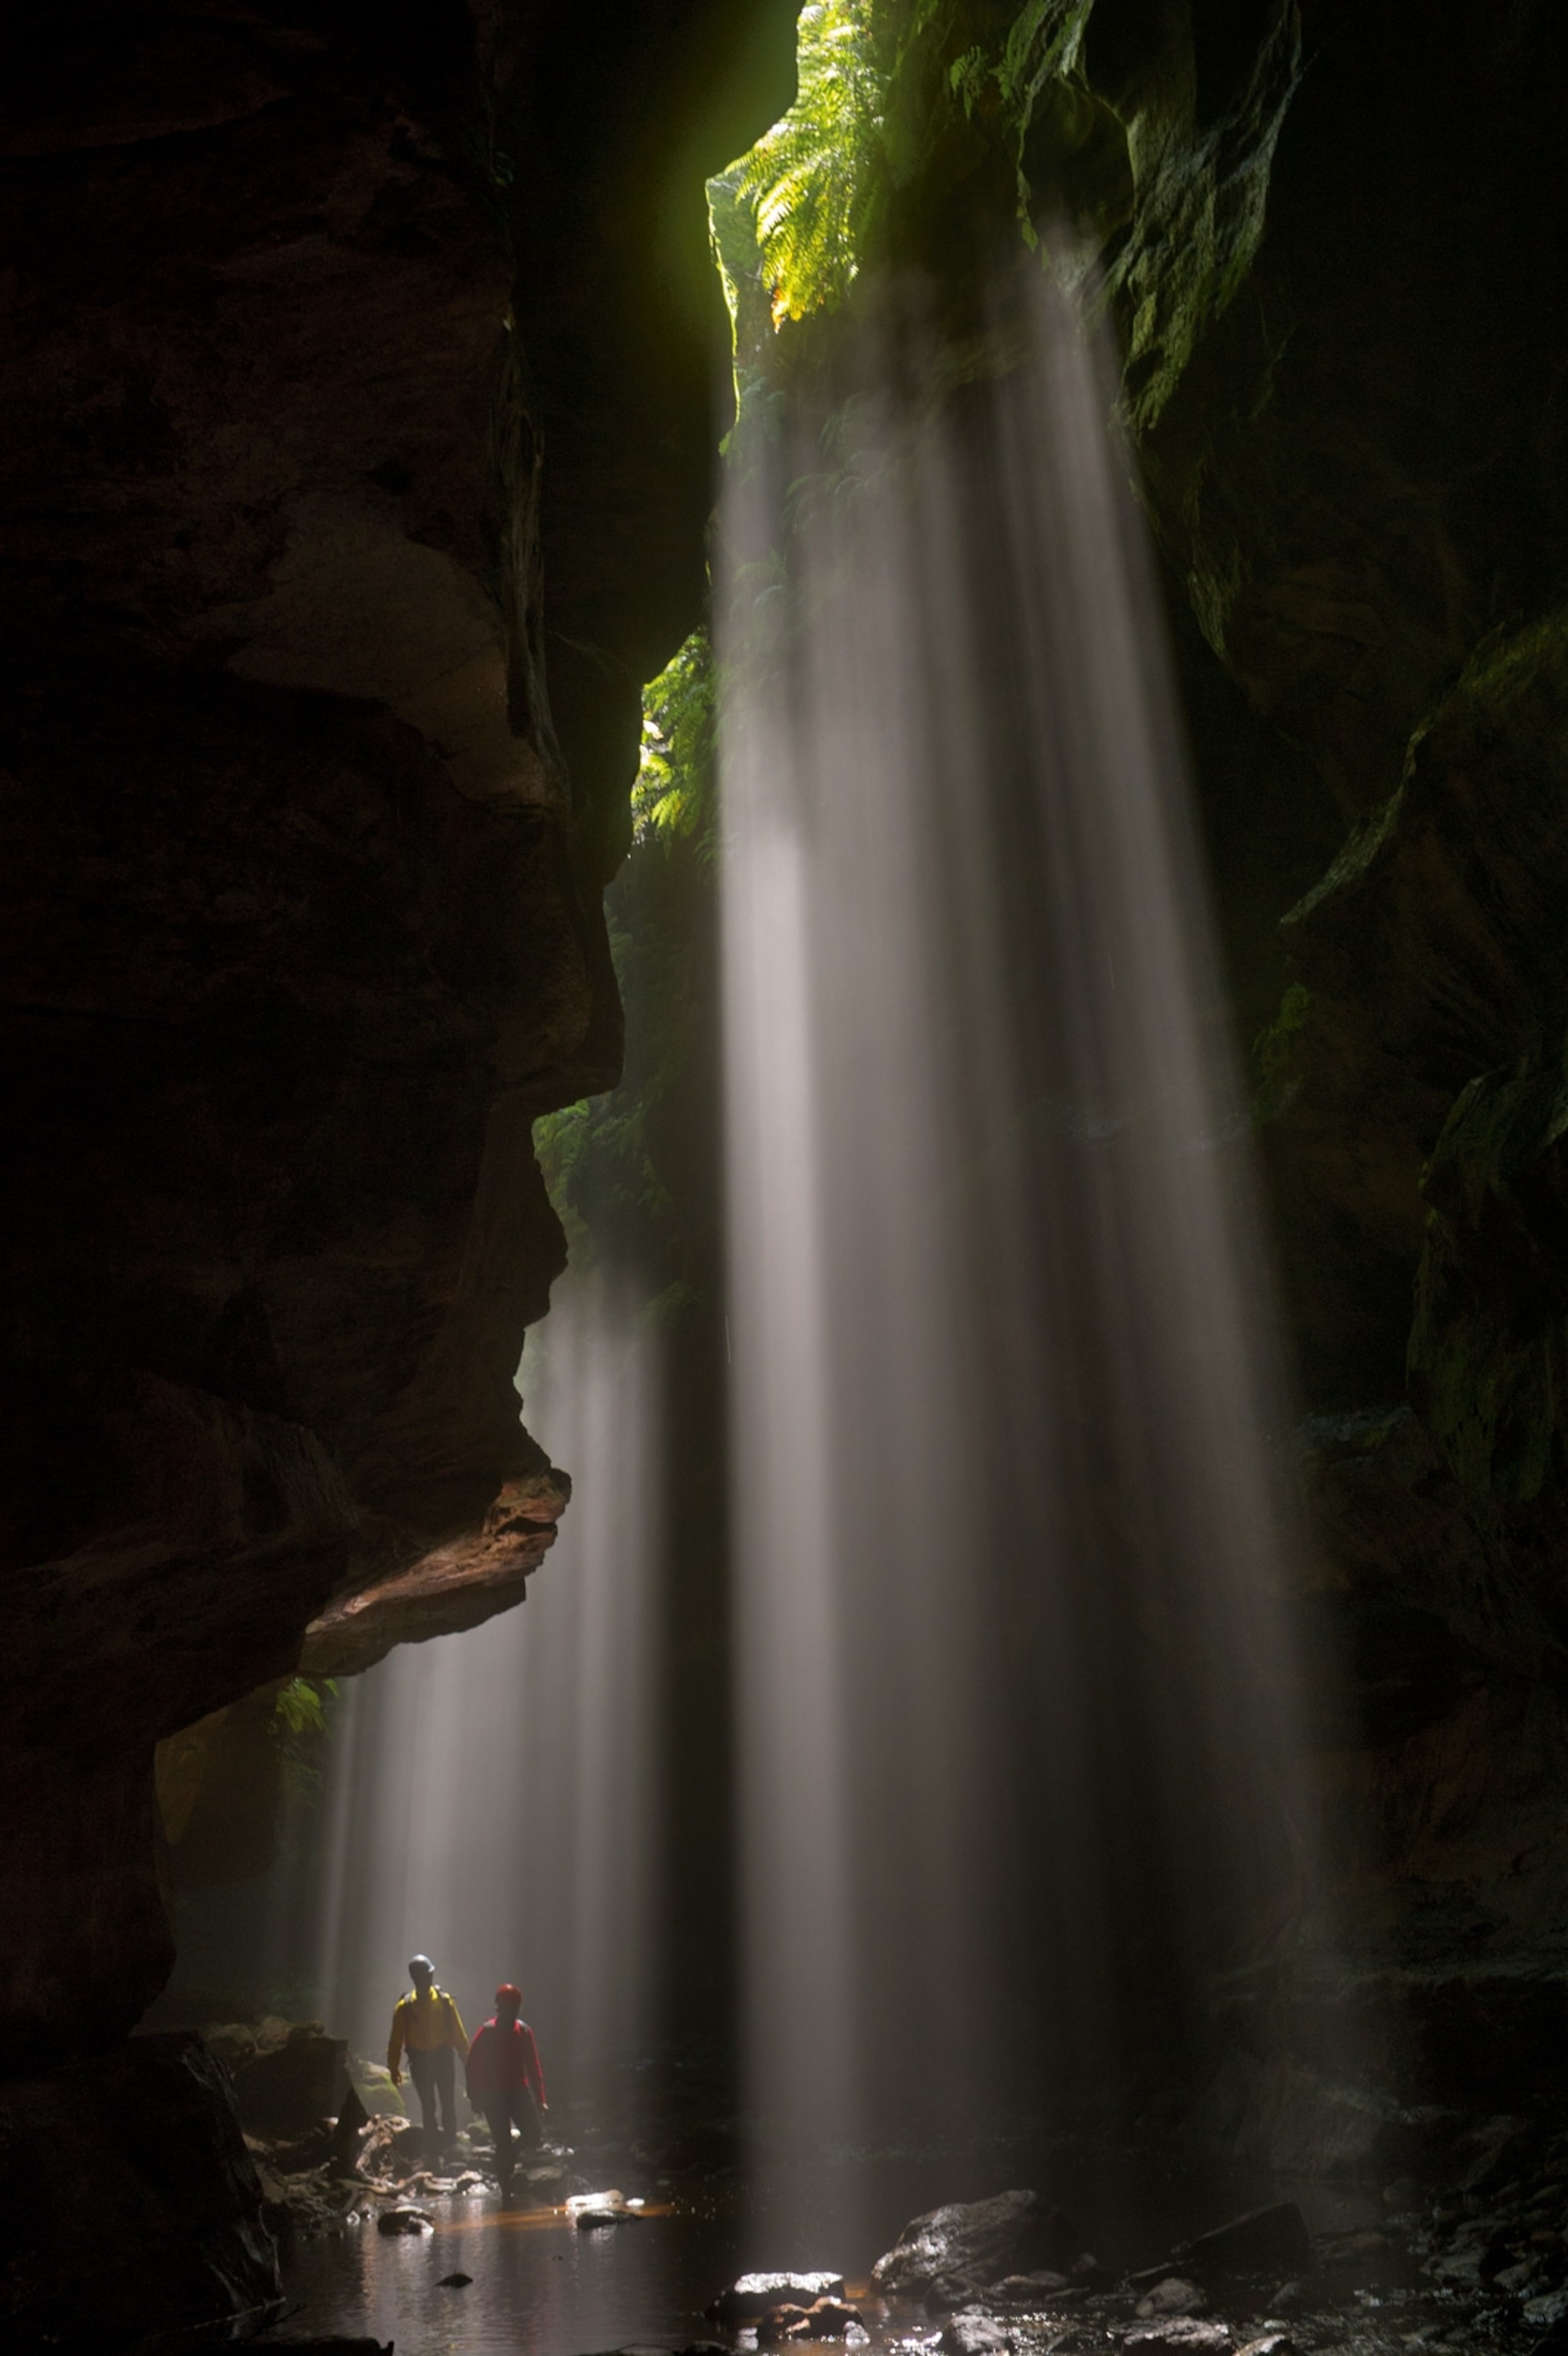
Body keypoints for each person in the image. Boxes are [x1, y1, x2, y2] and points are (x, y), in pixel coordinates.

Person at [465, 1983, 547, 2197]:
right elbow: (472, 2064)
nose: (512, 2011)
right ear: (499, 2007)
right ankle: (506, 2190)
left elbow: (533, 2066)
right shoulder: (488, 2031)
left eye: (515, 2007)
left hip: (518, 2092)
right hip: (494, 2096)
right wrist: (474, 2096)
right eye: (508, 2007)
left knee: (533, 2134)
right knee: (502, 2142)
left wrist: (541, 2099)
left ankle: (508, 2161)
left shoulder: (524, 2031)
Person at [386, 1954, 467, 2151]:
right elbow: (396, 2041)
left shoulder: (445, 2002)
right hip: (420, 2061)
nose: (429, 1979)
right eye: (425, 1975)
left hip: (442, 2058)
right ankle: (432, 2145)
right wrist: (393, 2068)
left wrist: (467, 2059)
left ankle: (451, 2143)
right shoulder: (404, 2007)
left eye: (430, 1975)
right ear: (415, 1978)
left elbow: (457, 2033)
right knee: (428, 2104)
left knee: (448, 2101)